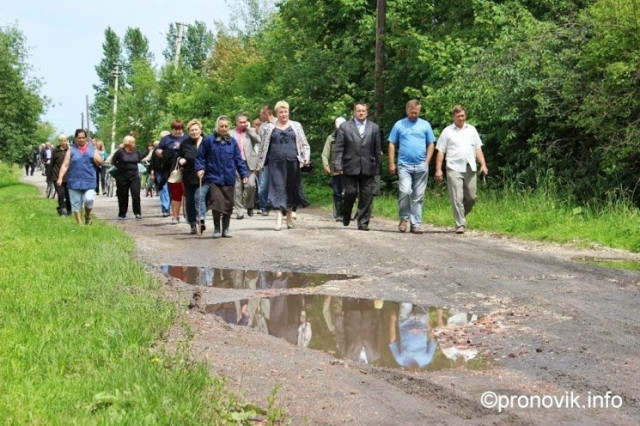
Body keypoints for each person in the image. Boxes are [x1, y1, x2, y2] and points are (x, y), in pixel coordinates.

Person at [256, 100, 311, 231]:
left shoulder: (296, 125)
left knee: (291, 189)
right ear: (277, 113)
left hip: (293, 162)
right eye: (281, 112)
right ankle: (279, 219)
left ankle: (289, 217)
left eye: (285, 111)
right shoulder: (269, 128)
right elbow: (263, 147)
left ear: (288, 112)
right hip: (275, 163)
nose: (283, 114)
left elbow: (304, 143)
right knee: (277, 189)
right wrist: (259, 164)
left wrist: (306, 158)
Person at [435, 105, 489, 234]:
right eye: (458, 116)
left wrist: (483, 164)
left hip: (470, 167)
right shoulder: (447, 131)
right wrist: (438, 169)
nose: (461, 118)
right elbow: (441, 152)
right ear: (453, 117)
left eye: (463, 116)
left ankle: (460, 215)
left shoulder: (472, 130)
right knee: (457, 197)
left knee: (471, 197)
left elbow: (478, 149)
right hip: (453, 167)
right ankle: (460, 224)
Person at [196, 116, 249, 238]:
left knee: (228, 204)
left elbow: (238, 159)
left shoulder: (232, 142)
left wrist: (244, 174)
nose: (224, 128)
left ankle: (226, 229)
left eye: (226, 126)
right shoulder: (209, 140)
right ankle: (216, 229)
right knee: (216, 203)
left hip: (229, 178)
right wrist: (200, 168)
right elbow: (200, 157)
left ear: (228, 127)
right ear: (217, 127)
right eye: (221, 126)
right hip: (213, 178)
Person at [388, 99, 436, 234]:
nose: (414, 115)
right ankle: (404, 218)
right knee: (405, 191)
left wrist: (427, 162)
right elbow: (392, 143)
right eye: (411, 112)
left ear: (419, 111)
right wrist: (391, 163)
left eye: (416, 113)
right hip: (404, 165)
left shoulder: (425, 125)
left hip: (421, 165)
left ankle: (416, 224)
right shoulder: (399, 124)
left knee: (418, 196)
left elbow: (431, 143)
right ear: (407, 110)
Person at [334, 102, 382, 231]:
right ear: (354, 112)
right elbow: (339, 148)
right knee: (350, 193)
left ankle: (363, 222)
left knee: (366, 195)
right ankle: (346, 212)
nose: (361, 113)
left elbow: (377, 149)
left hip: (368, 166)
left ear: (367, 112)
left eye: (363, 111)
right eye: (358, 111)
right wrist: (338, 164)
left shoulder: (374, 128)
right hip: (349, 165)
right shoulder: (345, 127)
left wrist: (378, 167)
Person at [56, 129, 103, 225]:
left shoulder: (92, 149)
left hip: (89, 180)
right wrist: (60, 178)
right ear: (76, 138)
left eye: (83, 138)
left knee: (89, 199)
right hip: (74, 181)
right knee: (76, 203)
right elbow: (65, 165)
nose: (81, 140)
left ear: (86, 138)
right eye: (79, 138)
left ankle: (87, 216)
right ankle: (79, 224)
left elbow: (100, 162)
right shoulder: (71, 150)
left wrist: (98, 160)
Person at [156, 120, 188, 224]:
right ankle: (175, 216)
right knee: (176, 193)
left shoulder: (187, 138)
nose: (178, 131)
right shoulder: (166, 139)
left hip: (187, 167)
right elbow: (158, 150)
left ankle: (188, 214)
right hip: (173, 169)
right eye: (176, 129)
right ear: (172, 129)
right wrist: (164, 153)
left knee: (187, 192)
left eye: (180, 129)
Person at [389, 303, 437, 371]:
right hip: (421, 320)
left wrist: (392, 321)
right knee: (423, 299)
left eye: (413, 373)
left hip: (404, 320)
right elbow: (432, 340)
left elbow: (393, 341)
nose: (416, 372)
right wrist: (427, 322)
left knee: (406, 301)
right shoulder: (427, 359)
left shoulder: (400, 360)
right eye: (417, 372)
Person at [230, 113, 261, 219]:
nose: (243, 124)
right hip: (235, 163)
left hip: (249, 164)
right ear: (236, 122)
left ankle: (249, 205)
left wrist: (249, 130)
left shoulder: (251, 132)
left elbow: (259, 141)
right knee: (237, 187)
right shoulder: (230, 133)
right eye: (241, 122)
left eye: (244, 122)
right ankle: (239, 211)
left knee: (251, 185)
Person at [178, 119, 205, 234]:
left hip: (205, 176)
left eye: (196, 129)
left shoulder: (207, 142)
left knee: (200, 197)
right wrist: (181, 159)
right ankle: (193, 223)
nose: (194, 132)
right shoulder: (185, 144)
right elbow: (178, 156)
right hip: (189, 176)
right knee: (190, 200)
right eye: (192, 130)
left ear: (200, 130)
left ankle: (201, 218)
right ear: (188, 132)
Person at [111, 135, 144, 220]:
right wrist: (120, 167)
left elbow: (140, 159)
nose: (133, 144)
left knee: (136, 194)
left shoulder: (136, 151)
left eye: (134, 142)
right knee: (123, 195)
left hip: (134, 176)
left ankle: (137, 213)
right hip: (122, 176)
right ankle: (122, 214)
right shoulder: (120, 152)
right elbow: (113, 161)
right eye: (132, 142)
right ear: (127, 143)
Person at [322, 117, 346, 222]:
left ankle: (346, 213)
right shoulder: (330, 138)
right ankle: (339, 214)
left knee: (348, 192)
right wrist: (326, 165)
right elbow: (324, 154)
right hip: (335, 169)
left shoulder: (350, 136)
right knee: (337, 192)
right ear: (335, 127)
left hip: (348, 169)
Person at [257, 105, 276, 215]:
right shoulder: (262, 126)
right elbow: (260, 144)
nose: (260, 116)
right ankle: (263, 206)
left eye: (261, 114)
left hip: (277, 159)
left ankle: (278, 205)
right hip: (266, 160)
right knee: (263, 185)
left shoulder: (278, 123)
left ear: (266, 113)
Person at [50, 134, 71, 216]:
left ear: (67, 141)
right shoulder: (55, 151)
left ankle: (68, 210)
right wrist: (49, 177)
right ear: (59, 142)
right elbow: (51, 164)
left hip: (67, 176)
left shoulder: (69, 151)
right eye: (61, 141)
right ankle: (62, 210)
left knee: (68, 195)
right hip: (56, 176)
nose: (63, 142)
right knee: (61, 194)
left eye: (65, 140)